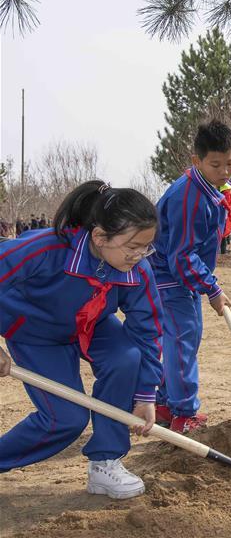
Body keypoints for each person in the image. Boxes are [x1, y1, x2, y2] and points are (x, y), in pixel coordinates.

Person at [0, 181, 163, 499]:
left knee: (126, 357)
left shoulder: (137, 270)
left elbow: (147, 331)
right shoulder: (45, 249)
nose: (140, 256)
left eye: (147, 247)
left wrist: (145, 394)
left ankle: (105, 462)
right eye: (133, 247)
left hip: (93, 326)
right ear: (100, 237)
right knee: (66, 420)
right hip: (36, 334)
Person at [149, 119, 231, 434]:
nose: (225, 171)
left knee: (180, 339)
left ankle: (164, 404)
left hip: (179, 277)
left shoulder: (209, 185)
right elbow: (182, 256)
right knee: (182, 341)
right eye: (216, 165)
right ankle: (184, 414)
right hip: (170, 277)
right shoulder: (189, 196)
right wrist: (211, 289)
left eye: (230, 163)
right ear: (196, 161)